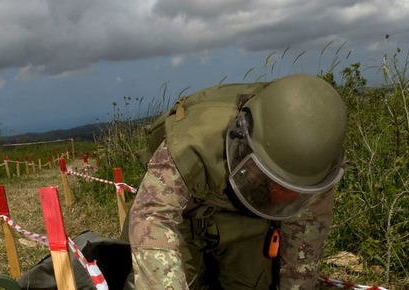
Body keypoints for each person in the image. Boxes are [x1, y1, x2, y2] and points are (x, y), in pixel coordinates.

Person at [128, 74, 347, 289]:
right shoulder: (192, 142)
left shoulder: (315, 172)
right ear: (243, 140)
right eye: (273, 181)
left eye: (290, 190)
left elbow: (306, 238)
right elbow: (153, 215)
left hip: (250, 217)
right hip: (185, 215)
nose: (283, 195)